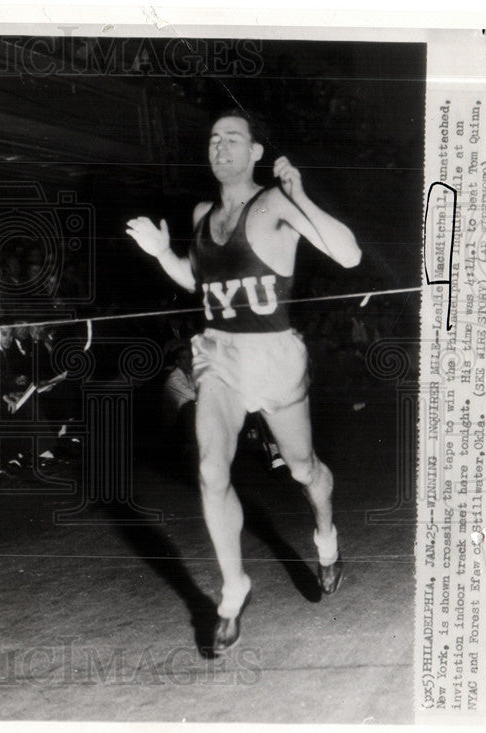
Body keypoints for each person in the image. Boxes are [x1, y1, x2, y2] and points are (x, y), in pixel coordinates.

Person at [126, 109, 361, 653]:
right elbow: (200, 283)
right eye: (213, 139)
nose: (220, 146)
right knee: (211, 471)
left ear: (256, 151)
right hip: (219, 355)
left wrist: (301, 194)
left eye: (233, 138)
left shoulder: (276, 202)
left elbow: (348, 256)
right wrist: (163, 253)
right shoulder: (203, 211)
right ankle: (233, 588)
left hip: (273, 355)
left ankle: (325, 537)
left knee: (303, 469)